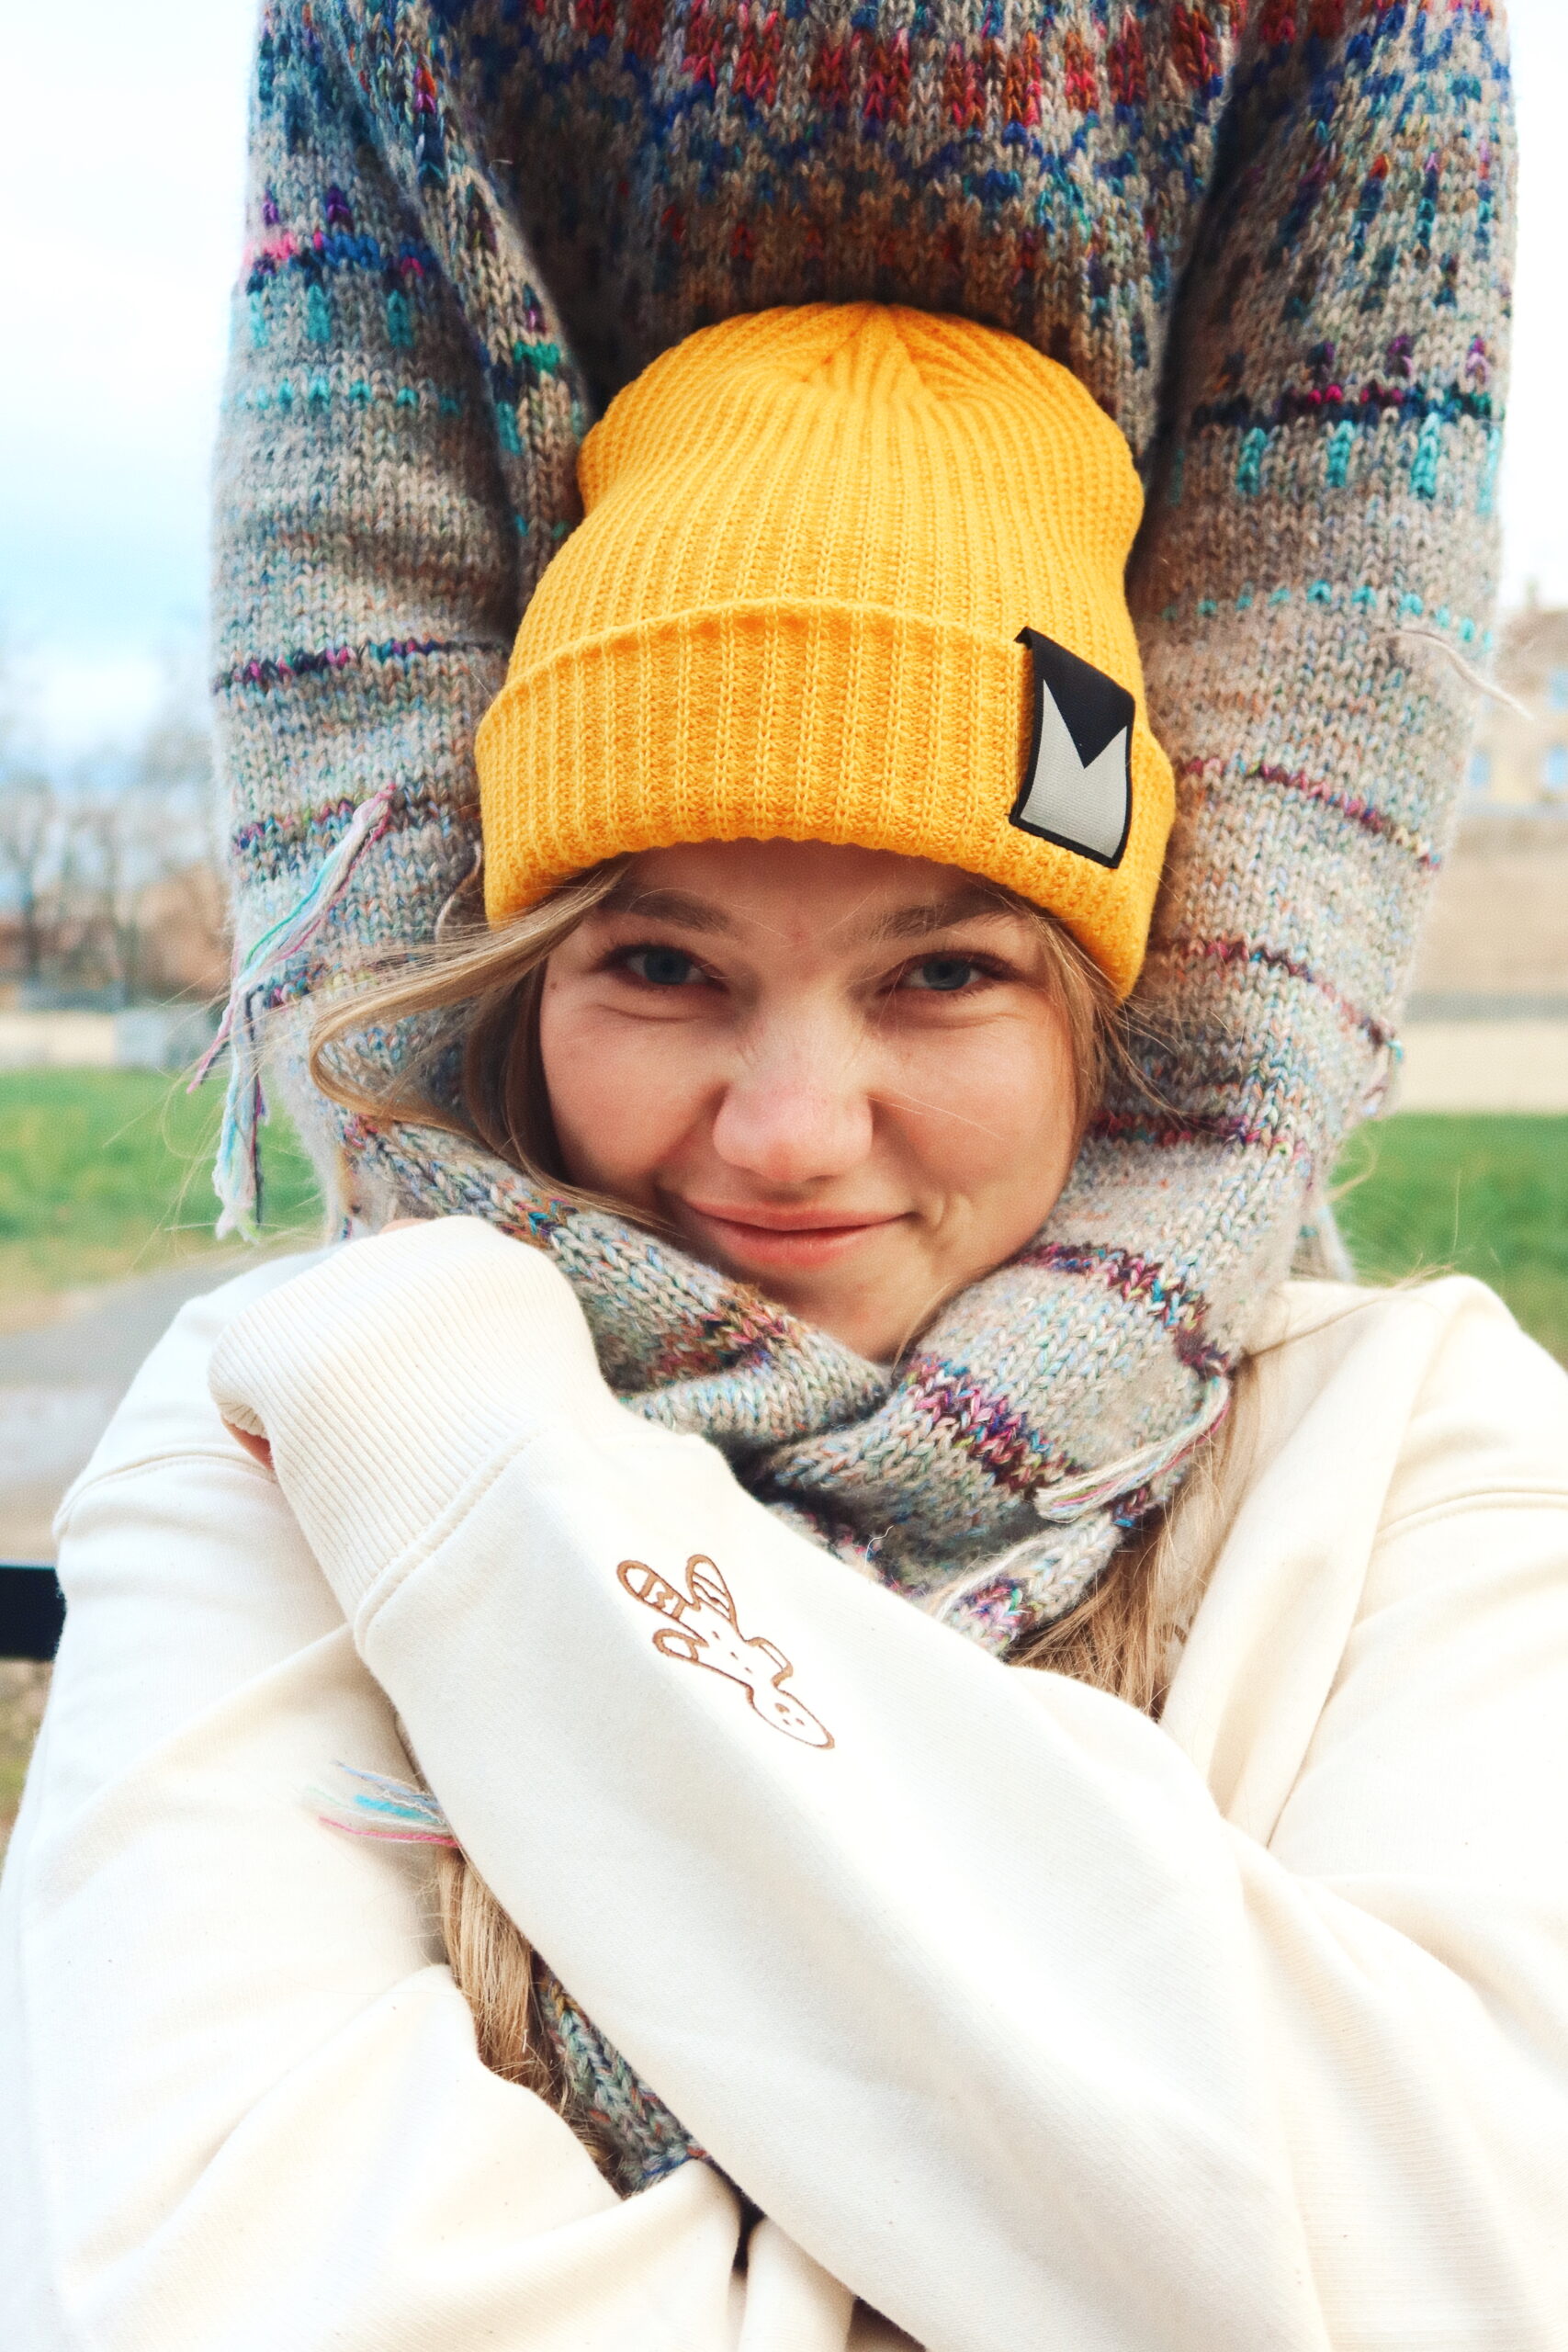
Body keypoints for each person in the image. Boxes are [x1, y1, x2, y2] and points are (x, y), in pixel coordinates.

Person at [5, 298, 1568, 2352]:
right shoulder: (270, 1420)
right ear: (530, 989)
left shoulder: (1415, 1452)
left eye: (943, 974)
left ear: (1095, 1013)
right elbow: (193, 2302)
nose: (790, 1130)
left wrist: (493, 1483)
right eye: (663, 963)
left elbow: (1467, 2274)